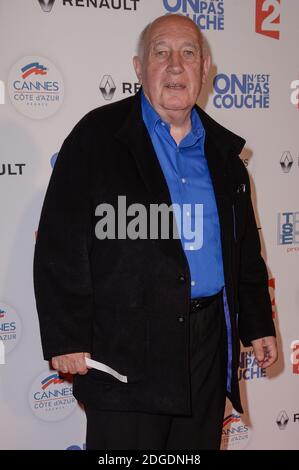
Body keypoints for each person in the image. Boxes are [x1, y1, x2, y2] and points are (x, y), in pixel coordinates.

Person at [33, 14, 277, 450]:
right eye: (161, 53)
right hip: (125, 346)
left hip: (204, 348)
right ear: (139, 66)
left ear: (205, 69)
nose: (175, 66)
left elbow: (241, 249)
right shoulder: (96, 137)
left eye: (188, 54)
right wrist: (67, 336)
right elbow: (59, 244)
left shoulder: (224, 154)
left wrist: (257, 324)